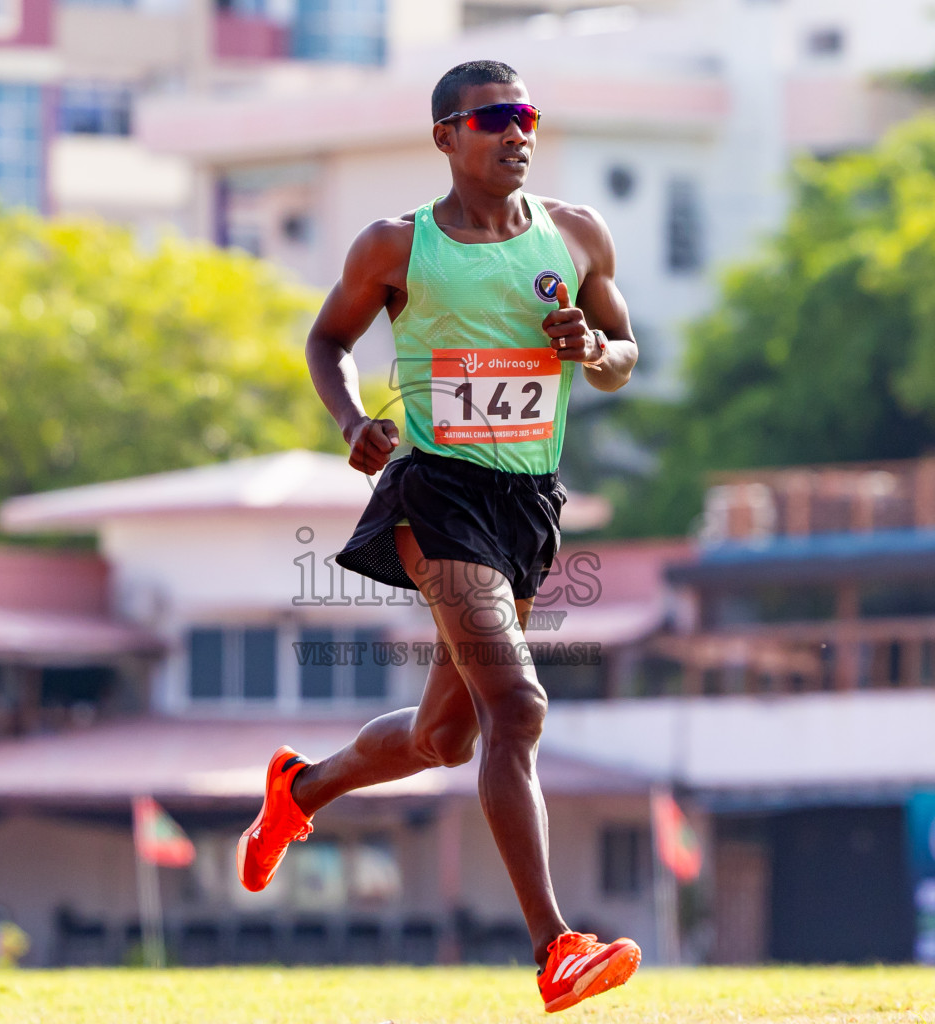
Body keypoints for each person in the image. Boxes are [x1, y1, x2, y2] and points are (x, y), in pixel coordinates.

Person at [236, 60, 640, 1013]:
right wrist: (352, 425)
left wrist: (595, 349)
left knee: (446, 737)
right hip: (437, 492)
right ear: (447, 136)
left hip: (529, 502)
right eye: (495, 117)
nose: (518, 131)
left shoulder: (577, 234)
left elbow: (625, 357)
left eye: (528, 114)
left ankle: (299, 791)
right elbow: (325, 342)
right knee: (520, 709)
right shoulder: (396, 247)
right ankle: (557, 949)